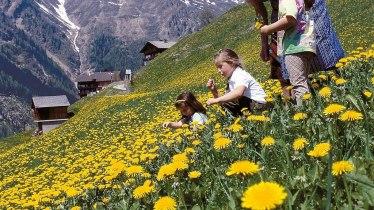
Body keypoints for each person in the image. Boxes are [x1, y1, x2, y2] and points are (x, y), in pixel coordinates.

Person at [260, 0, 316, 105]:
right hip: (306, 44)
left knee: (298, 84)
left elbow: (290, 19)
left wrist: (267, 29)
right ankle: (309, 108)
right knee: (303, 80)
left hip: (294, 46)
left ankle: (306, 113)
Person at [206, 49, 267, 116]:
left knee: (231, 98)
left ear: (231, 62)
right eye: (217, 68)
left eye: (220, 66)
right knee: (227, 100)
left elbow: (238, 93)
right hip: (251, 106)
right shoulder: (232, 78)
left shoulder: (239, 74)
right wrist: (214, 91)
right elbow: (224, 103)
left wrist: (216, 100)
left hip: (260, 106)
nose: (218, 70)